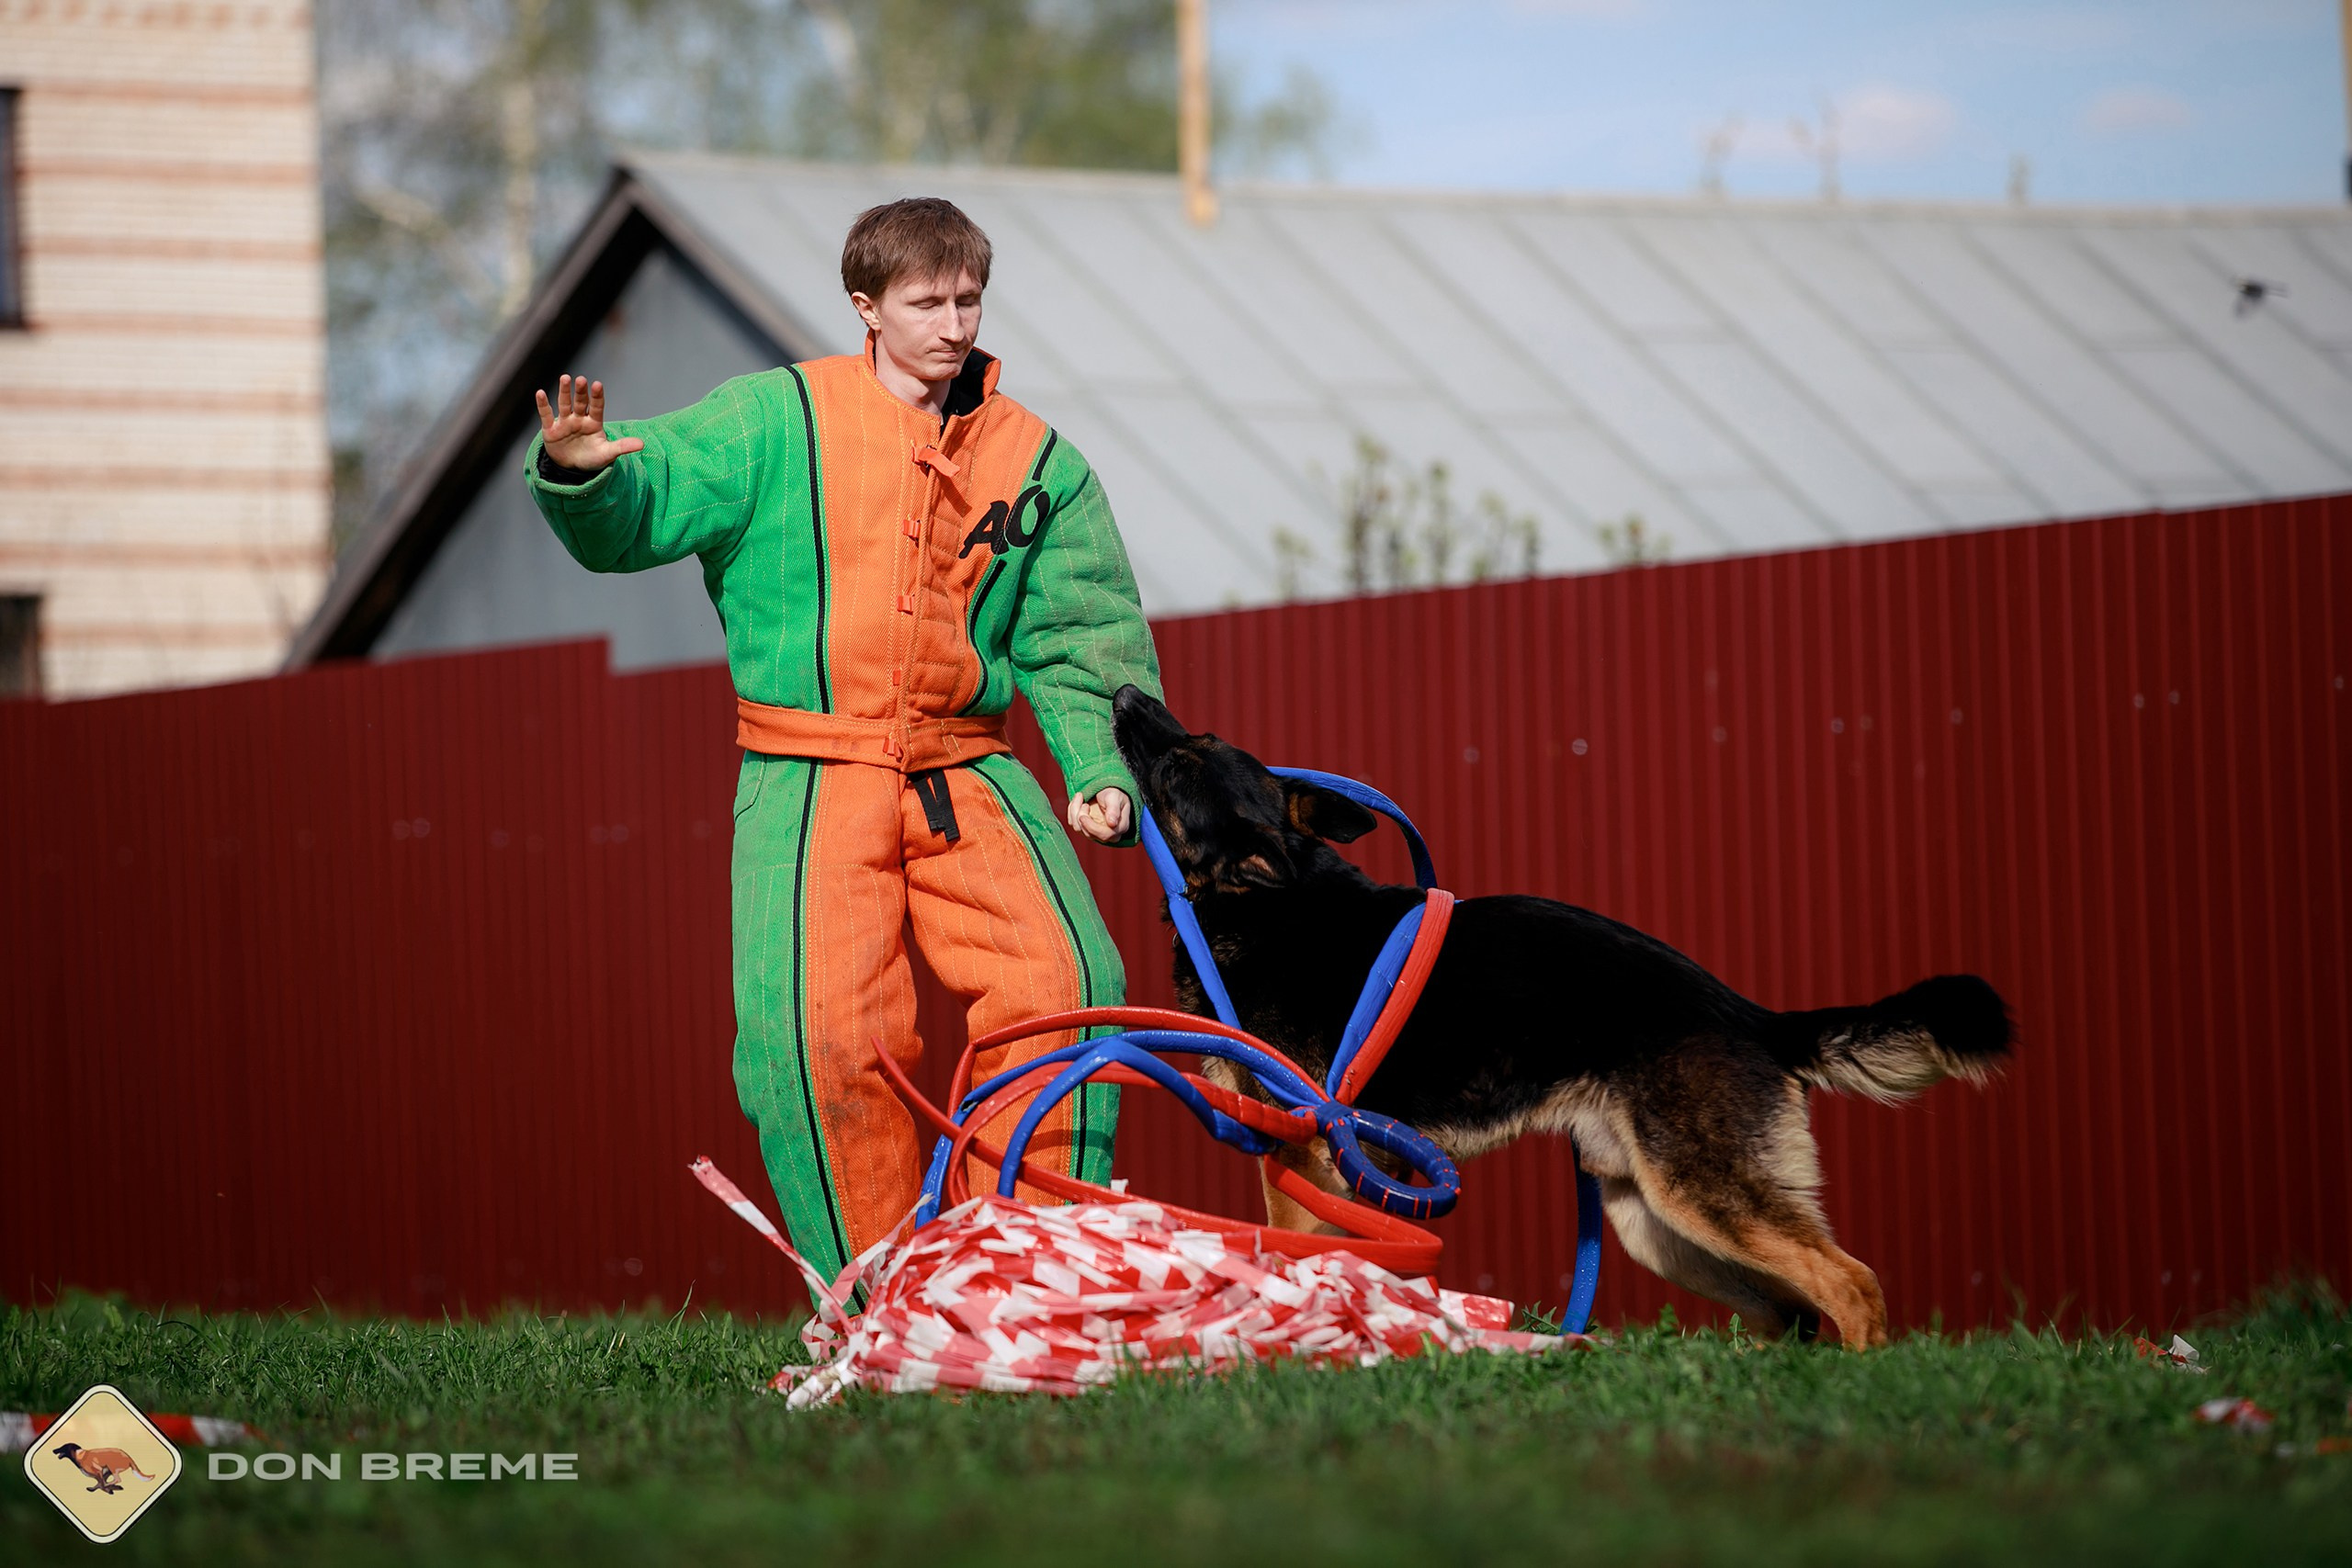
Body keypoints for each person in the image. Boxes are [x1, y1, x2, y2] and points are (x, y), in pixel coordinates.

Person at [525, 197, 1160, 1290]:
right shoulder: (774, 419)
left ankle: (1019, 1274)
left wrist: (1101, 767)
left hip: (970, 760)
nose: (954, 324)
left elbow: (1080, 634)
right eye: (926, 303)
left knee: (1070, 980)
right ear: (865, 306)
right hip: (810, 775)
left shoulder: (1040, 460)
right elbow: (652, 490)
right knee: (820, 1036)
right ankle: (877, 1298)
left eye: (969, 300)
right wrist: (587, 471)